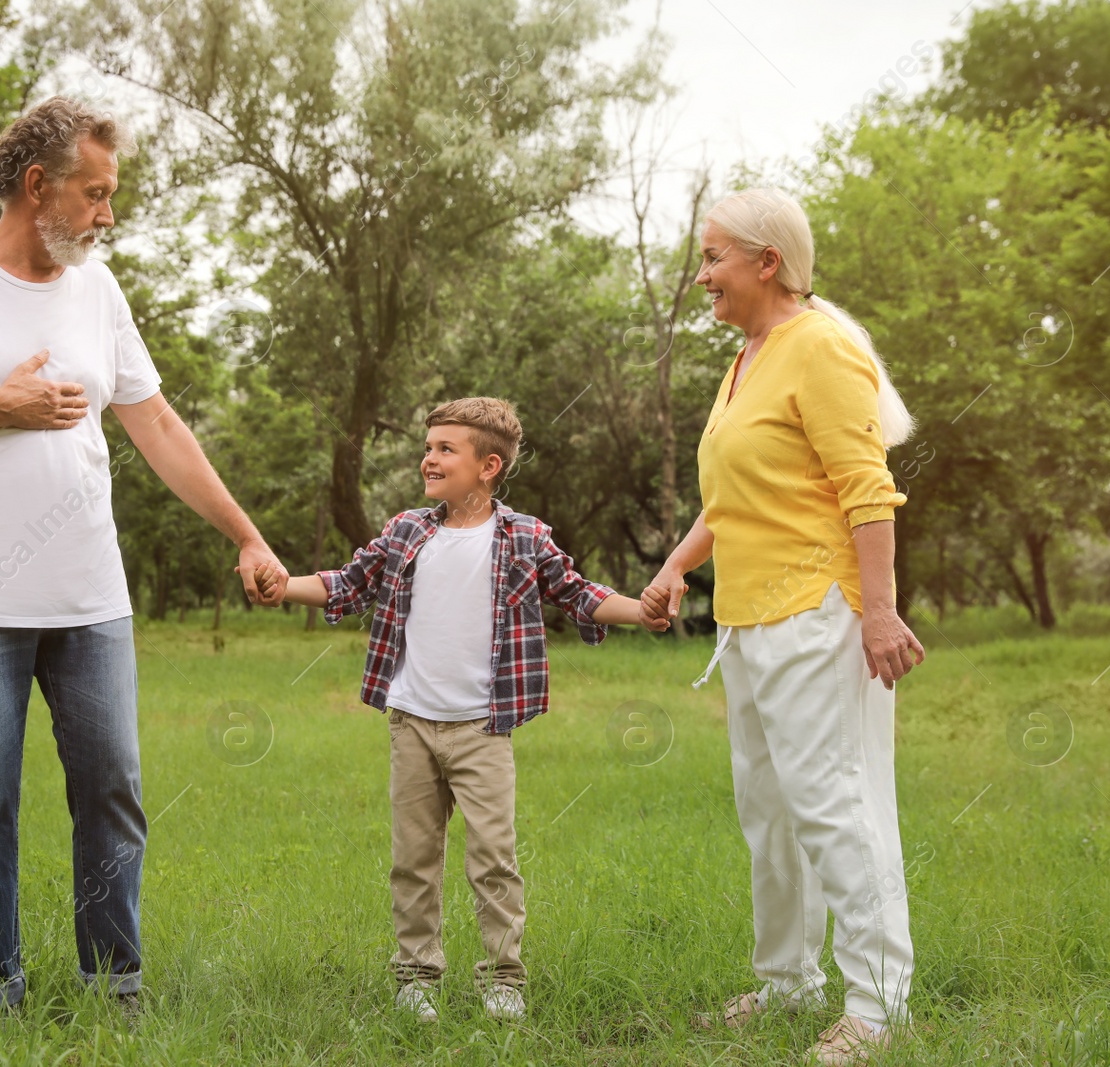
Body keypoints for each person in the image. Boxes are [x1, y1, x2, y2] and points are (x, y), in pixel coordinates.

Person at [0, 96, 288, 1011]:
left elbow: (155, 422)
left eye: (110, 195)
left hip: (90, 596)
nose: (107, 214)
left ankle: (111, 986)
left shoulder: (98, 288)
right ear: (37, 186)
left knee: (114, 791)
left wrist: (244, 532)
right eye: (95, 194)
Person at [256, 397, 667, 1021]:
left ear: (489, 465)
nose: (430, 457)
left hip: (483, 727)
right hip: (412, 723)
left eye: (446, 448)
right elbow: (346, 583)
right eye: (429, 446)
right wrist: (284, 586)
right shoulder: (406, 531)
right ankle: (416, 976)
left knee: (494, 860)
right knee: (413, 860)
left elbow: (579, 595)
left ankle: (504, 978)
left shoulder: (524, 537)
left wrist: (642, 609)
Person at [641, 188, 924, 1065]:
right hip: (748, 622)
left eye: (715, 256)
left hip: (817, 615)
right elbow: (735, 499)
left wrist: (878, 612)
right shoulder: (748, 360)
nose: (704, 275)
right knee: (770, 814)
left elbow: (867, 492)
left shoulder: (823, 348)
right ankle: (788, 981)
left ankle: (877, 1008)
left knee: (837, 805)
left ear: (768, 261)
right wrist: (680, 562)